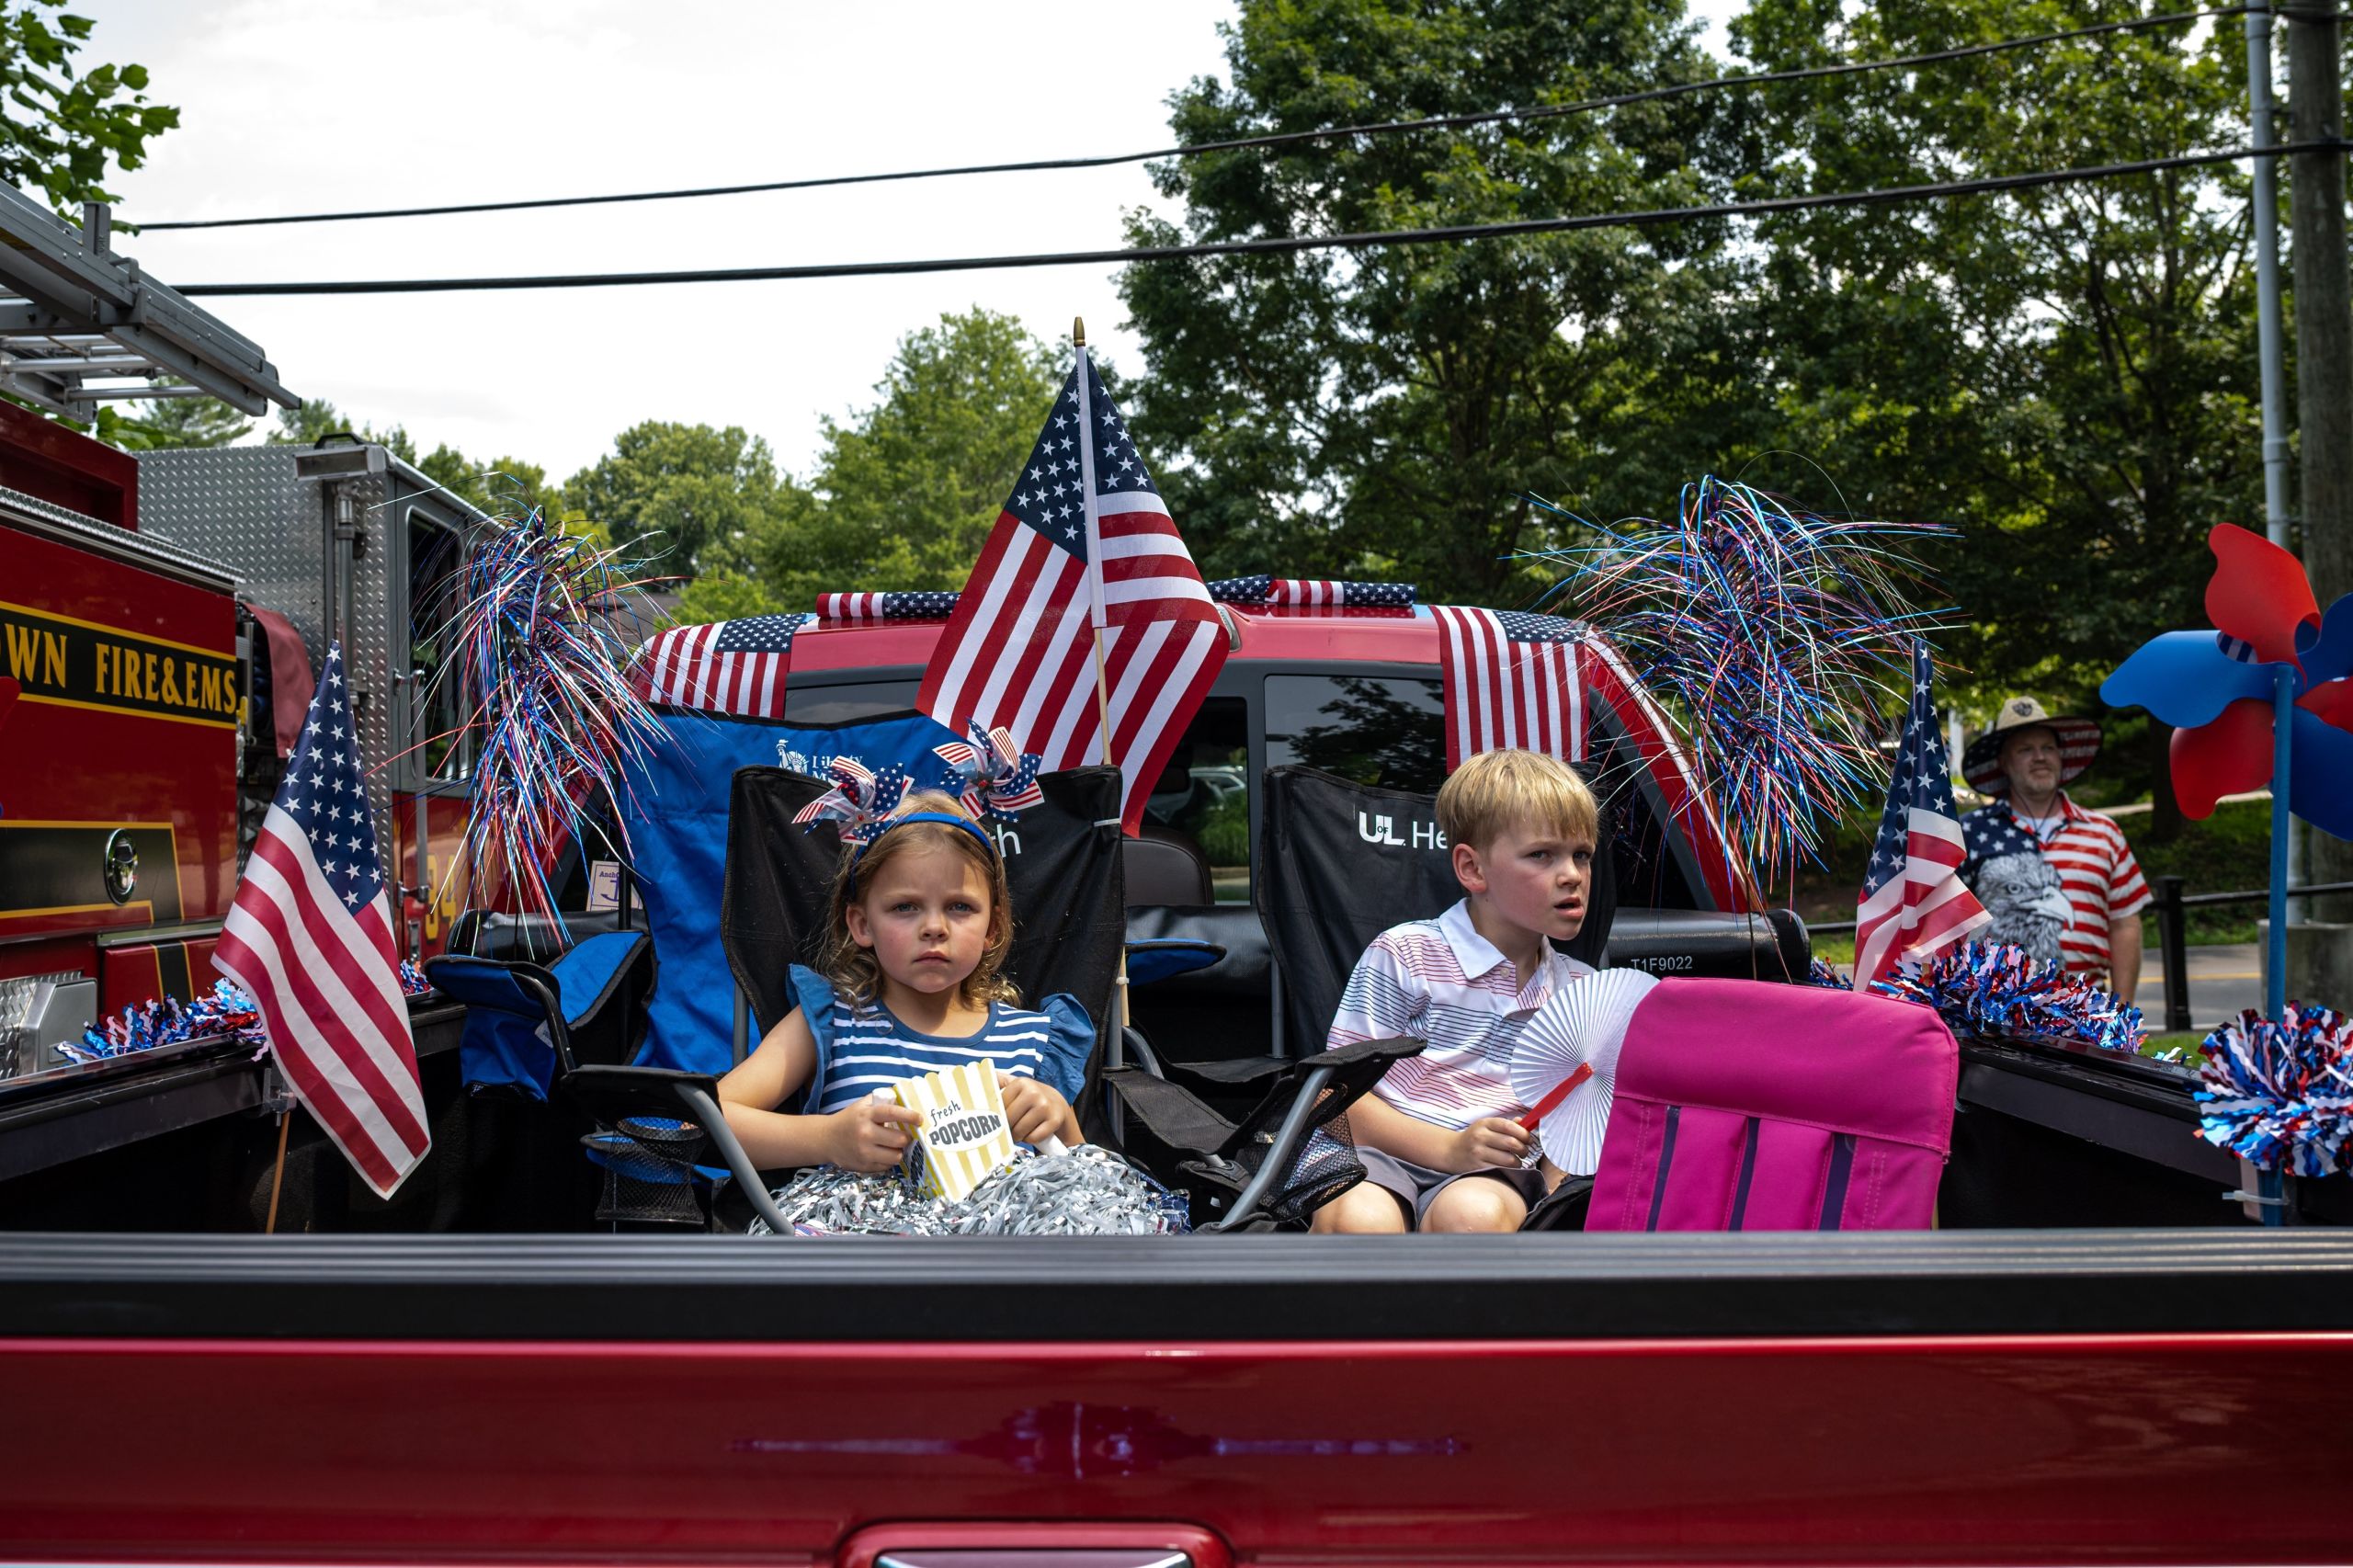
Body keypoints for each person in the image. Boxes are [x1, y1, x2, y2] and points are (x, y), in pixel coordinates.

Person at [718, 790, 1092, 1171]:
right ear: (863, 925)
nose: (934, 927)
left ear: (992, 928)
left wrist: (1061, 1118)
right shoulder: (836, 1020)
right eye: (905, 907)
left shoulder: (1032, 1043)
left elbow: (1090, 1188)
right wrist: (826, 1139)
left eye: (959, 907)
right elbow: (709, 1117)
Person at [1313, 748, 1599, 1234]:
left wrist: (1554, 1193)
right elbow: (1332, 1098)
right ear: (1473, 869)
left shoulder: (1581, 990)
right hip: (1376, 1152)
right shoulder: (1406, 954)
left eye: (1582, 855)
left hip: (1494, 1175)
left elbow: (1577, 1122)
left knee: (1473, 1219)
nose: (1572, 874)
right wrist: (1448, 1149)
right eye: (1542, 854)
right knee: (1362, 1223)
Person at [1958, 697, 2152, 1002]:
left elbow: (2124, 924)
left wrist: (2121, 1011)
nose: (2040, 757)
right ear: (2004, 763)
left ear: (2061, 757)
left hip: (2087, 1012)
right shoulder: (1971, 833)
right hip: (1993, 1014)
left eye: (2048, 748)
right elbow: (1948, 926)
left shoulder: (2103, 832)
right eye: (2025, 749)